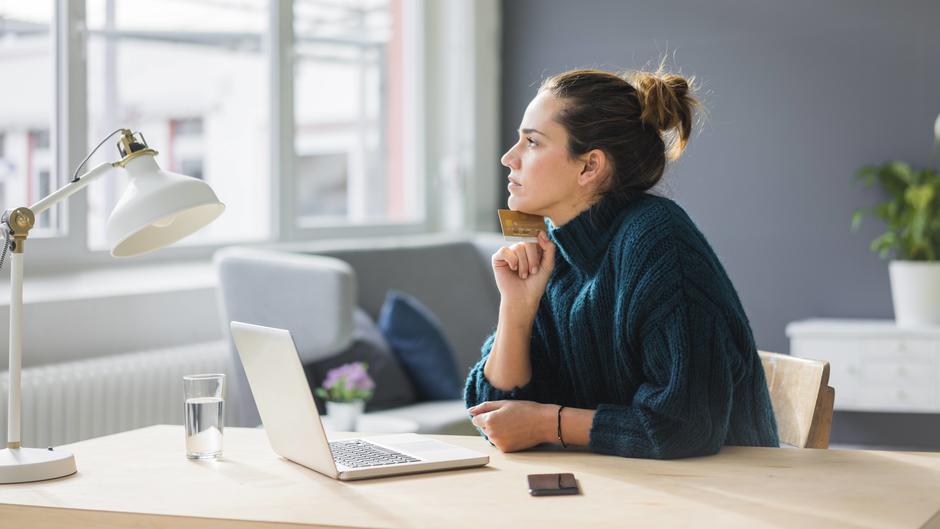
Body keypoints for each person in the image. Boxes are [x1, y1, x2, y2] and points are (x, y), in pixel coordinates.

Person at [464, 63, 779, 459]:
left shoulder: (659, 242)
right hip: (617, 491)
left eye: (533, 142)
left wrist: (548, 423)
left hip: (723, 497)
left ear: (590, 166)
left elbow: (685, 424)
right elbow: (494, 414)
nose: (509, 158)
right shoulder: (553, 254)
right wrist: (517, 308)